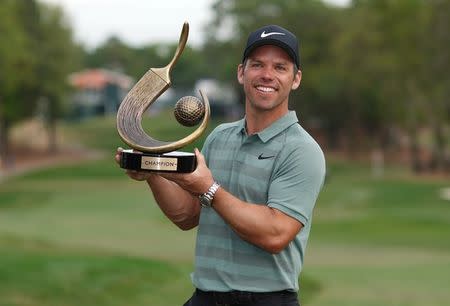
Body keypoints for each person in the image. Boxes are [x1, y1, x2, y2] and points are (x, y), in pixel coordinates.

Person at [115, 24, 326, 306]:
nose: (267, 75)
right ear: (242, 72)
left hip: (266, 300)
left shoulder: (302, 149)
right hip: (205, 297)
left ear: (295, 79)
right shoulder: (220, 137)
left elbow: (275, 234)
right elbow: (187, 216)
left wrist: (209, 189)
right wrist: (152, 172)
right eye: (257, 65)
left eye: (280, 67)